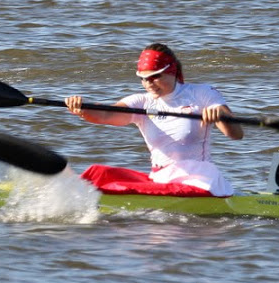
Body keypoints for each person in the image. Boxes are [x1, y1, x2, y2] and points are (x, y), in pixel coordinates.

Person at [64, 43, 243, 197]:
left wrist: (221, 116)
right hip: (160, 179)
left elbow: (236, 134)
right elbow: (105, 115)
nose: (148, 83)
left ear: (172, 71)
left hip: (199, 179)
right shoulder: (141, 102)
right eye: (143, 79)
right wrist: (82, 109)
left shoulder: (201, 93)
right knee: (99, 173)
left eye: (155, 76)